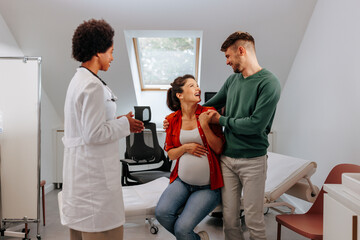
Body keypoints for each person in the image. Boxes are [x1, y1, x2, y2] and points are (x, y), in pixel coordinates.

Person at [164, 31, 281, 240]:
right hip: (227, 159)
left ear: (241, 51)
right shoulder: (233, 80)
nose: (227, 62)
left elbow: (255, 125)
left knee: (254, 218)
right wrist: (178, 117)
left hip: (253, 160)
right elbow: (209, 106)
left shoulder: (269, 83)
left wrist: (221, 120)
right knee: (229, 218)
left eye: (228, 56)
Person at [61, 19, 144, 240]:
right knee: (103, 232)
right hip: (94, 182)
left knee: (82, 229)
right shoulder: (91, 85)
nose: (112, 57)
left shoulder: (79, 80)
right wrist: (126, 124)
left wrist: (116, 119)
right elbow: (93, 134)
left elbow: (87, 125)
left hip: (82, 176)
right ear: (98, 52)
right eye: (111, 52)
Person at [155, 74, 225, 240]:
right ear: (179, 95)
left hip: (208, 188)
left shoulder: (209, 113)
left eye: (197, 85)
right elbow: (171, 154)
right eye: (192, 86)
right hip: (182, 182)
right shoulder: (171, 120)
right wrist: (186, 148)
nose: (198, 89)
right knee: (162, 213)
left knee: (182, 230)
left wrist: (204, 125)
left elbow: (219, 148)